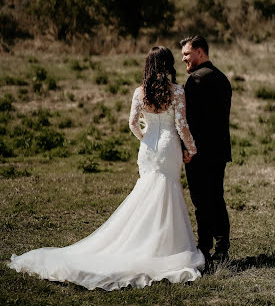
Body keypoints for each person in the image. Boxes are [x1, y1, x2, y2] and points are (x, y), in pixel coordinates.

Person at [8, 46, 204, 291]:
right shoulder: (176, 91)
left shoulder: (139, 92)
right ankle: (164, 246)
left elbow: (132, 123)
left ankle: (145, 241)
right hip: (168, 147)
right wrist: (192, 148)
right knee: (167, 193)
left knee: (147, 194)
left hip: (149, 149)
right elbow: (181, 125)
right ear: (168, 64)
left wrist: (145, 137)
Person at [180, 35, 231, 269]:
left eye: (187, 54)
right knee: (217, 198)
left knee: (201, 201)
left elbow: (190, 121)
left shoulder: (195, 81)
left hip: (199, 153)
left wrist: (187, 149)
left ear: (200, 52)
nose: (184, 60)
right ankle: (222, 247)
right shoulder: (222, 79)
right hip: (219, 151)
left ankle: (204, 247)